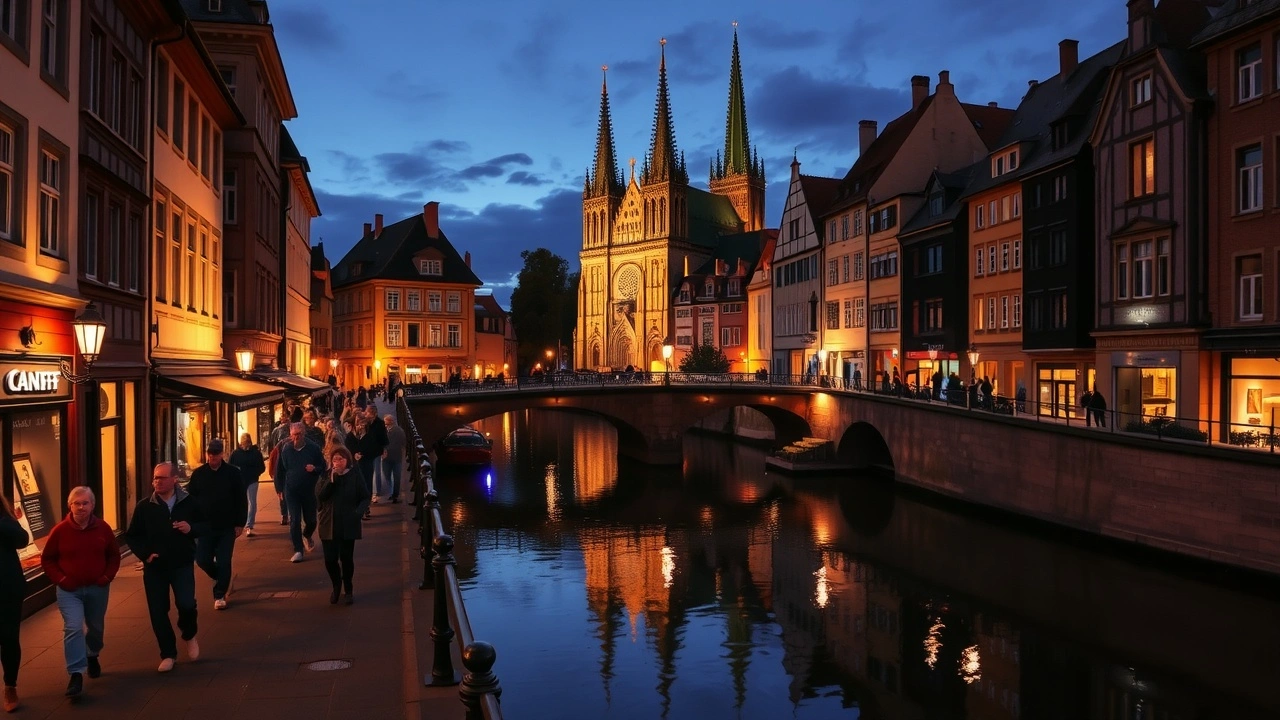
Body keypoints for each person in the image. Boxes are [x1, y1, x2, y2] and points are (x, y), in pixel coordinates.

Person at [40, 487, 120, 699]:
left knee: (95, 626)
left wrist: (106, 577)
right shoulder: (59, 531)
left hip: (97, 587)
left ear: (93, 505)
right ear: (70, 506)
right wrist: (62, 579)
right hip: (69, 590)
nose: (81, 507)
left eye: (85, 503)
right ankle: (76, 673)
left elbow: (114, 556)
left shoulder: (103, 528)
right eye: (77, 503)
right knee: (73, 627)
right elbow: (47, 559)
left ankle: (92, 654)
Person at [126, 463, 206, 673]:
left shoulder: (188, 503)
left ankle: (189, 634)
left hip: (181, 563)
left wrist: (191, 529)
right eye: (155, 478)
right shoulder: (145, 506)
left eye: (162, 478)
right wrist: (146, 554)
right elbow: (132, 535)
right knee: (158, 611)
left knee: (186, 604)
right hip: (156, 568)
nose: (157, 482)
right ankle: (168, 653)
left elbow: (205, 525)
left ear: (174, 480)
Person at [187, 439, 246, 610]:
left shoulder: (233, 473)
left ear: (222, 454)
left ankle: (220, 594)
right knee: (203, 559)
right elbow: (191, 499)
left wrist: (240, 523)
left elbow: (241, 499)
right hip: (204, 527)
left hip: (227, 526)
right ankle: (221, 578)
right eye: (210, 453)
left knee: (224, 560)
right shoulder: (198, 474)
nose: (212, 456)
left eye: (215, 453)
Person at [316, 447, 370, 605]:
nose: (338, 463)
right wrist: (332, 481)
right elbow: (320, 496)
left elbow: (364, 496)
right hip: (329, 523)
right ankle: (336, 584)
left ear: (347, 460)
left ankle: (348, 588)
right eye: (335, 460)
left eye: (341, 459)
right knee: (330, 559)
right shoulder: (327, 476)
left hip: (347, 523)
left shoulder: (354, 475)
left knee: (346, 558)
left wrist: (358, 513)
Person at [275, 423, 326, 563]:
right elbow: (279, 470)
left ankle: (307, 534)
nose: (296, 437)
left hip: (309, 490)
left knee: (311, 521)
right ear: (290, 435)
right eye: (294, 435)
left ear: (304, 434)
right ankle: (298, 550)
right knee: (295, 520)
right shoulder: (286, 449)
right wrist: (279, 488)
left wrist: (314, 468)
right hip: (291, 490)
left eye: (299, 434)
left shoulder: (313, 448)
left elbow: (323, 466)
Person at [0, 495, 29, 712]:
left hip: (6, 589)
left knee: (8, 638)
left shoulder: (5, 519)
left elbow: (22, 539)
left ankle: (10, 685)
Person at [230, 434, 266, 537]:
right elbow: (230, 466)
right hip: (240, 481)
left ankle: (249, 525)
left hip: (252, 480)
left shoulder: (255, 453)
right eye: (244, 443)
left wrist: (255, 473)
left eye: (248, 443)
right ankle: (240, 522)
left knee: (251, 502)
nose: (246, 445)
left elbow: (261, 467)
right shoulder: (236, 454)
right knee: (241, 502)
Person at [382, 414, 406, 504]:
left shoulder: (399, 431)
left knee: (396, 477)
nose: (384, 424)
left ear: (391, 422)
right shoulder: (384, 431)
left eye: (386, 422)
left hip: (395, 457)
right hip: (386, 458)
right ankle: (391, 493)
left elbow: (403, 442)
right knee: (387, 475)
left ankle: (395, 495)